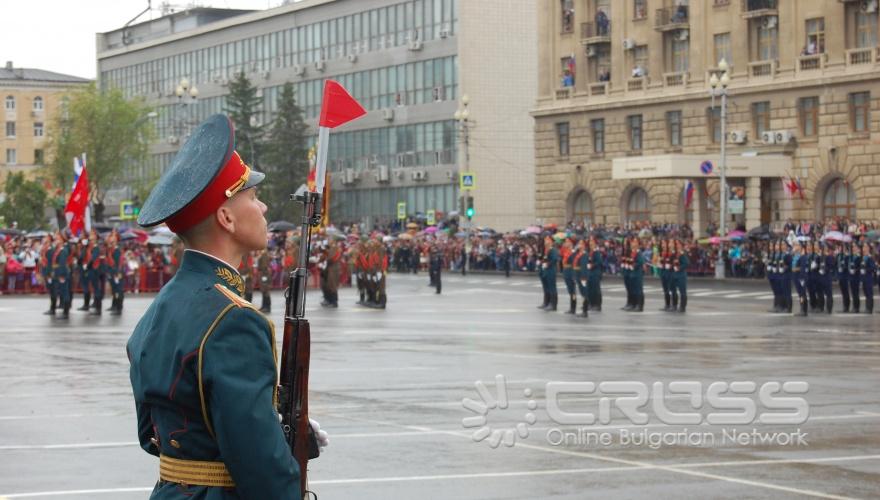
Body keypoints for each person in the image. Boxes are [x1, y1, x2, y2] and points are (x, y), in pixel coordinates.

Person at [126, 115, 325, 499]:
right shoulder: (234, 321)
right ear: (226, 217)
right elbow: (263, 475)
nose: (264, 207)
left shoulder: (159, 309)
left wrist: (276, 431)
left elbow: (153, 436)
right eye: (252, 196)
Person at [561, 238, 577, 314]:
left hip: (571, 272)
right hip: (566, 271)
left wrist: (574, 275)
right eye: (565, 242)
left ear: (571, 244)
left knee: (572, 291)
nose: (565, 243)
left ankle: (573, 308)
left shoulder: (573, 252)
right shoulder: (566, 251)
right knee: (570, 291)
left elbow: (574, 264)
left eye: (567, 242)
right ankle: (571, 307)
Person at [792, 243, 809, 317]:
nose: (795, 247)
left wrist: (796, 269)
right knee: (800, 293)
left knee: (802, 293)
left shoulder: (802, 257)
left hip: (801, 277)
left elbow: (802, 268)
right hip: (796, 276)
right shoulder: (795, 256)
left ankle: (803, 309)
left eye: (797, 245)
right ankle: (802, 308)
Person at [861, 242, 875, 314]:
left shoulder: (870, 257)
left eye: (866, 247)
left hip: (868, 277)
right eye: (864, 247)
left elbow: (873, 268)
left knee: (869, 293)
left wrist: (866, 270)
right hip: (864, 277)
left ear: (869, 248)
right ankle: (867, 307)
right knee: (865, 292)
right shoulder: (863, 257)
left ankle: (870, 309)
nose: (864, 248)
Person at [837, 244, 851, 313]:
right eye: (839, 247)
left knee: (846, 291)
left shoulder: (847, 256)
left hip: (845, 275)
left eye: (841, 247)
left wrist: (844, 266)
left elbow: (848, 266)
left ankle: (847, 306)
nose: (839, 249)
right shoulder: (839, 256)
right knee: (842, 291)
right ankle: (844, 305)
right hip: (840, 275)